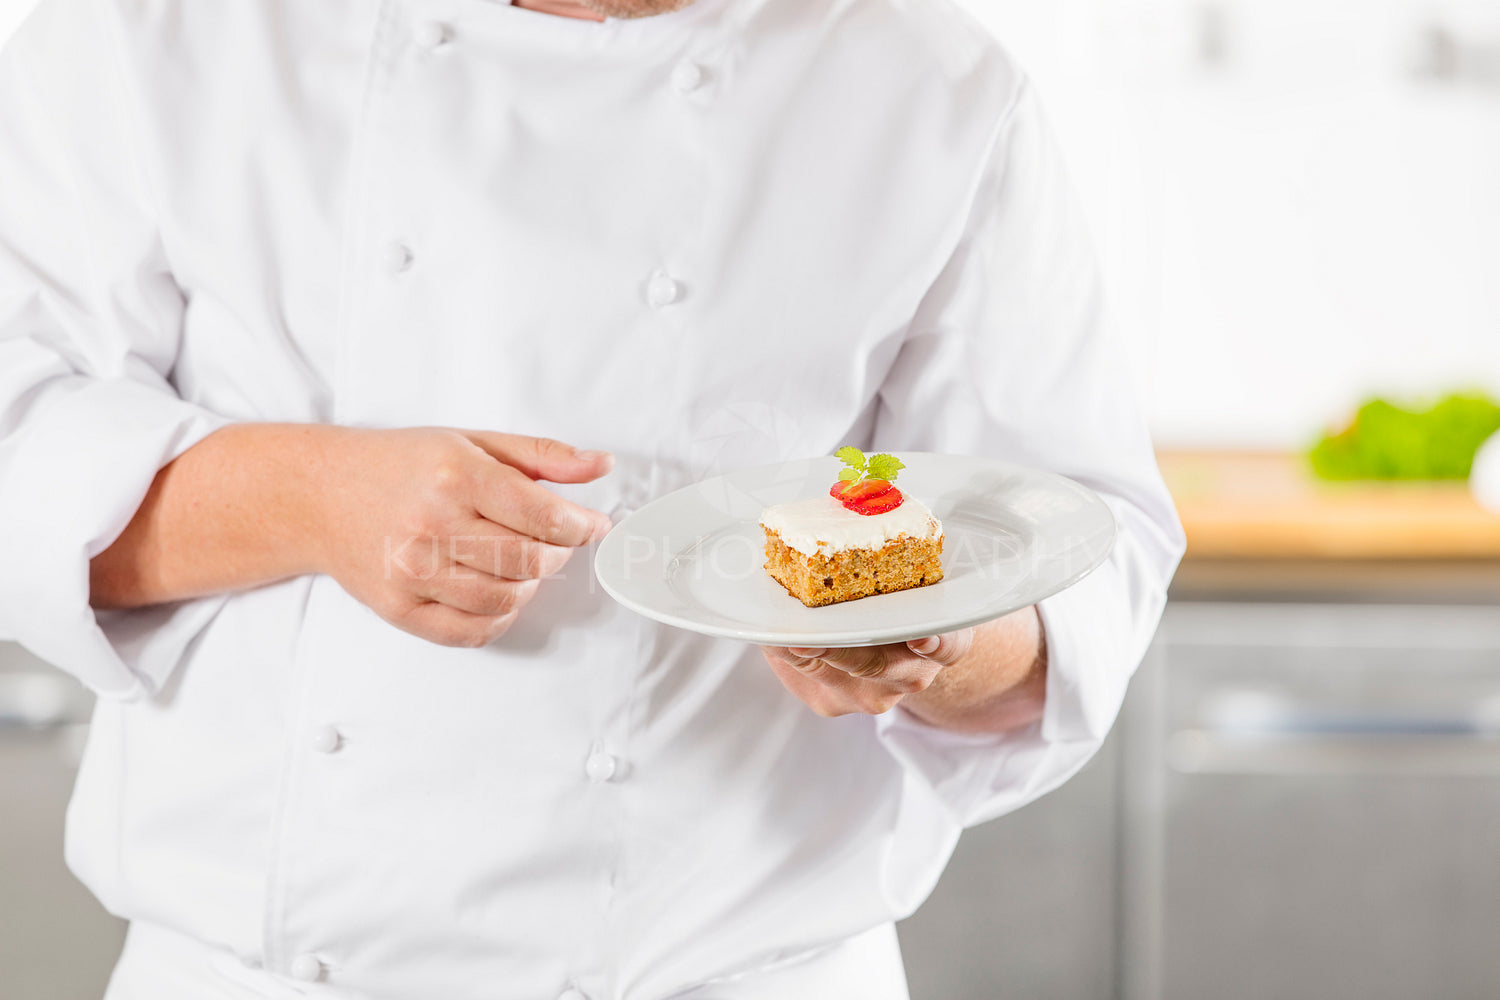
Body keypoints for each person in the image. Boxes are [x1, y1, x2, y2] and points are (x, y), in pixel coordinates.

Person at [0, 0, 1183, 996]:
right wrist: (319, 496)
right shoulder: (168, 30)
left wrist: (933, 634)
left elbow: (1076, 553)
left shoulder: (924, 84)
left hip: (739, 969)